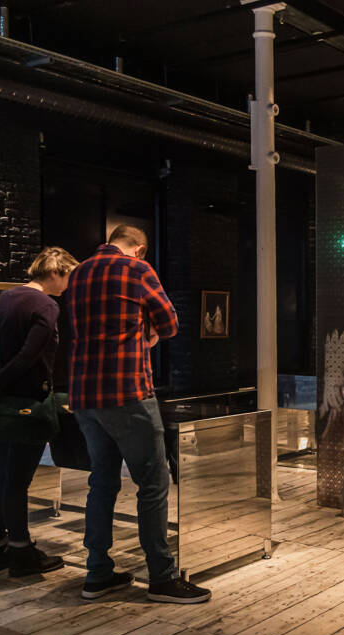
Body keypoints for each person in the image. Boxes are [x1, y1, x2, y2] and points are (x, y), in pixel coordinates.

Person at [68, 225, 211, 603]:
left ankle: (97, 573)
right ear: (140, 249)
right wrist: (147, 333)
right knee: (153, 482)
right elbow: (170, 323)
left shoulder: (79, 271)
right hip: (127, 390)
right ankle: (161, 578)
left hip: (84, 394)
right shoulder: (137, 270)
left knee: (102, 482)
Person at [0, 246, 79, 577]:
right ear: (56, 272)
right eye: (69, 277)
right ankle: (21, 554)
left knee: (2, 476)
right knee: (17, 482)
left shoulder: (5, 299)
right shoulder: (46, 305)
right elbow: (28, 357)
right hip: (25, 406)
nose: (69, 285)